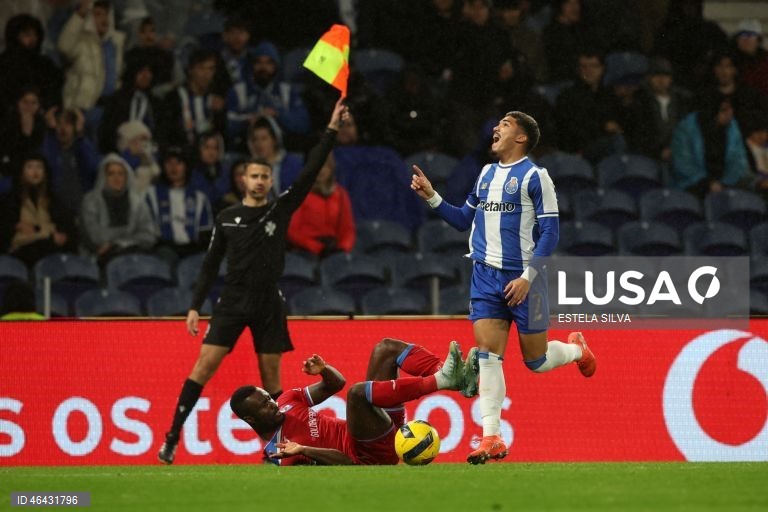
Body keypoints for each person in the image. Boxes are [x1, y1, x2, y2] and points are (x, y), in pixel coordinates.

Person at [157, 97, 349, 465]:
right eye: (254, 176)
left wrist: (331, 128)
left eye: (264, 176)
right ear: (243, 179)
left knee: (271, 382)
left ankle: (279, 448)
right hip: (232, 299)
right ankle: (172, 438)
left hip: (267, 301)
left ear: (270, 180)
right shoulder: (227, 217)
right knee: (203, 367)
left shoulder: (279, 209)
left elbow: (309, 172)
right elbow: (210, 264)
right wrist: (195, 306)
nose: (259, 181)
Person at [410, 110, 596, 464]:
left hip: (525, 279)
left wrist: (527, 277)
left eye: (506, 125)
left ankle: (576, 349)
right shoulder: (485, 174)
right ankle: (491, 436)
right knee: (488, 356)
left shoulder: (536, 177)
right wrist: (432, 197)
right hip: (485, 276)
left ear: (521, 138)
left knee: (537, 362)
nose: (496, 128)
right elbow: (463, 220)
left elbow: (551, 233)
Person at [230, 338, 476, 465]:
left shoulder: (287, 401)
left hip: (377, 430)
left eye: (268, 398)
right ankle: (442, 380)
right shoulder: (281, 453)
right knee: (358, 394)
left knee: (385, 349)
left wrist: (324, 370)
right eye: (264, 405)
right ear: (251, 419)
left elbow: (336, 384)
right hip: (367, 456)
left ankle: (451, 376)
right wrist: (303, 450)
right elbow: (347, 463)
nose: (272, 404)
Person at [80, 153, 157, 265]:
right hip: (98, 259)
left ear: (127, 176)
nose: (117, 178)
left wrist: (117, 243)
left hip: (134, 254)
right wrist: (130, 235)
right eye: (111, 174)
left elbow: (149, 236)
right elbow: (96, 237)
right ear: (103, 177)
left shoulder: (137, 202)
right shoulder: (90, 201)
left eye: (121, 174)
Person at [0, 153, 76, 267]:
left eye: (39, 167)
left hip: (51, 249)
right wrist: (16, 226)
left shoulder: (54, 200)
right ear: (21, 171)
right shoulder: (10, 200)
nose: (35, 172)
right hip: (21, 252)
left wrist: (62, 235)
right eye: (30, 167)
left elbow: (67, 227)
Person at [287, 153, 356, 257]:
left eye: (324, 166)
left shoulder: (341, 194)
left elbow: (348, 230)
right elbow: (291, 231)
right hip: (305, 251)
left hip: (334, 250)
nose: (320, 170)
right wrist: (317, 248)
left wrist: (343, 249)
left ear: (331, 168)